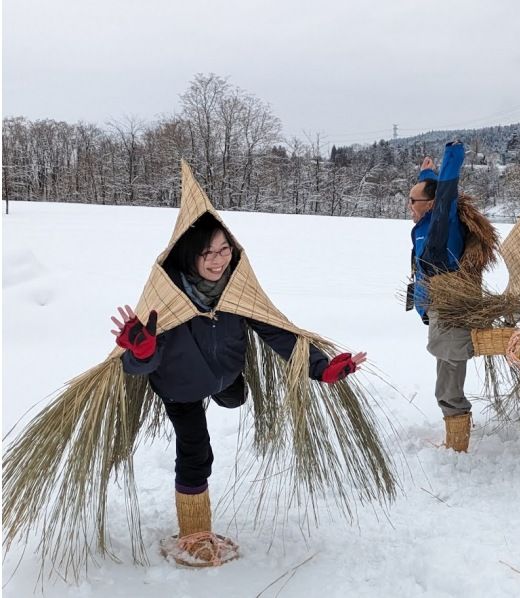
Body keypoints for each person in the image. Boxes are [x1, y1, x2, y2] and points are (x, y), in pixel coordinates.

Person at [111, 212, 366, 565]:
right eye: (208, 253)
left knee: (234, 397)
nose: (218, 260)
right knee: (196, 451)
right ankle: (194, 536)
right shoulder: (166, 300)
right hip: (180, 387)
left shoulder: (238, 289)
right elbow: (138, 365)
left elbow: (279, 333)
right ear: (189, 255)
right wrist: (142, 352)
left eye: (224, 249)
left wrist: (320, 369)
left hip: (225, 375)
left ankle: (226, 389)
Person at [407, 142, 498, 452]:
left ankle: (457, 446)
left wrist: (452, 157)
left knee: (446, 381)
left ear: (431, 204)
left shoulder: (441, 222)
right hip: (436, 309)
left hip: (448, 308)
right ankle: (457, 432)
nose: (409, 205)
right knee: (446, 372)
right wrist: (426, 171)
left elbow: (444, 192)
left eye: (413, 200)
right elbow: (434, 191)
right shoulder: (424, 224)